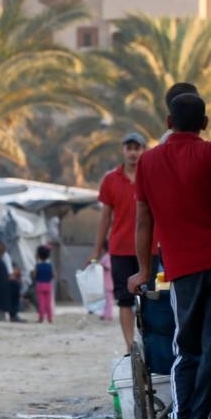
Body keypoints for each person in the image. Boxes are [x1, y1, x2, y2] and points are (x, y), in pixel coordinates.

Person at [129, 93, 211, 419]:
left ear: (168, 123)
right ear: (204, 123)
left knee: (186, 348)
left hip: (181, 270)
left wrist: (144, 270)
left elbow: (144, 221)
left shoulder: (147, 163)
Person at [90, 132, 147, 352]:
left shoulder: (150, 175)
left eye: (137, 148)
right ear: (123, 150)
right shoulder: (110, 179)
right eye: (129, 148)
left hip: (149, 248)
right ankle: (130, 346)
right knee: (124, 299)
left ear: (143, 150)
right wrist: (96, 251)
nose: (133, 153)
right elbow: (105, 217)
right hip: (120, 248)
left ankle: (148, 345)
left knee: (150, 299)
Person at [33, 245, 55, 324]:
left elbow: (35, 276)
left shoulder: (38, 266)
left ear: (39, 255)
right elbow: (53, 275)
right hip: (48, 285)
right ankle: (50, 318)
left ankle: (41, 318)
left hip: (40, 285)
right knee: (48, 303)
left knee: (41, 302)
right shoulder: (49, 266)